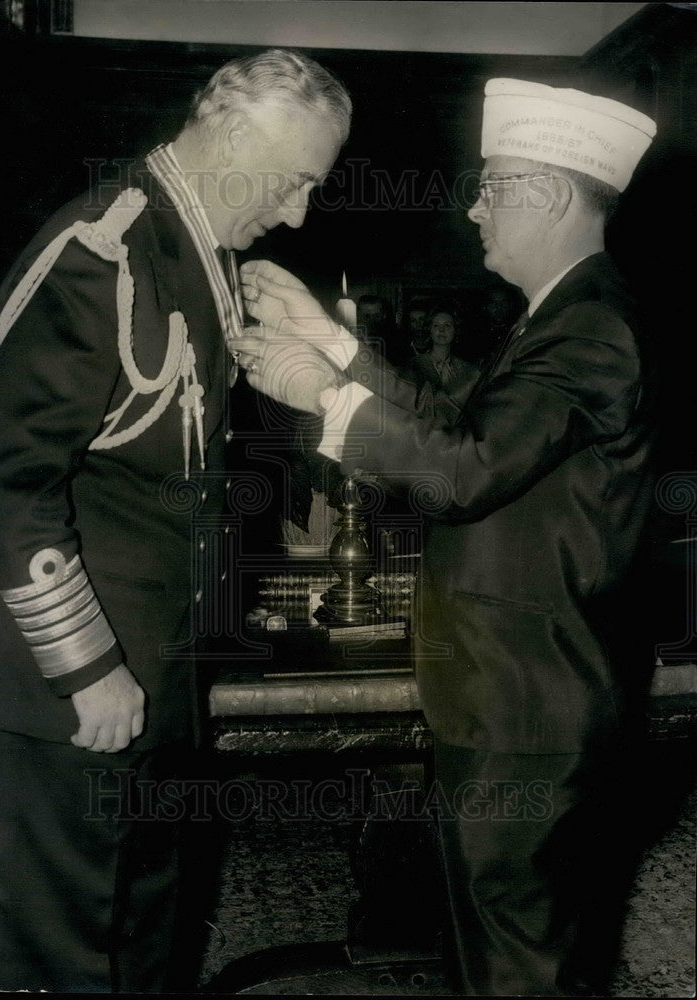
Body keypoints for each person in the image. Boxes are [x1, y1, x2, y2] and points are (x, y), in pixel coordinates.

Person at [0, 48, 350, 992]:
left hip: (152, 675)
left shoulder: (192, 251)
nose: (296, 213)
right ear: (233, 136)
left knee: (143, 942)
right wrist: (89, 666)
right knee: (58, 959)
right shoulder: (102, 249)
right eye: (294, 181)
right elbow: (7, 477)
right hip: (62, 693)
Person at [234, 77, 657, 996]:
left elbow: (462, 474)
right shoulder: (560, 317)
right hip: (513, 693)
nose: (472, 209)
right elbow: (456, 424)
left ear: (546, 194)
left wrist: (314, 391)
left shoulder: (592, 328)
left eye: (491, 185)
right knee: (495, 944)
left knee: (517, 959)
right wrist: (334, 345)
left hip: (531, 707)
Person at [401, 304, 480, 401]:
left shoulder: (467, 369)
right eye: (436, 325)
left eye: (447, 325)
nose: (441, 330)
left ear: (455, 330)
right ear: (430, 330)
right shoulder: (414, 364)